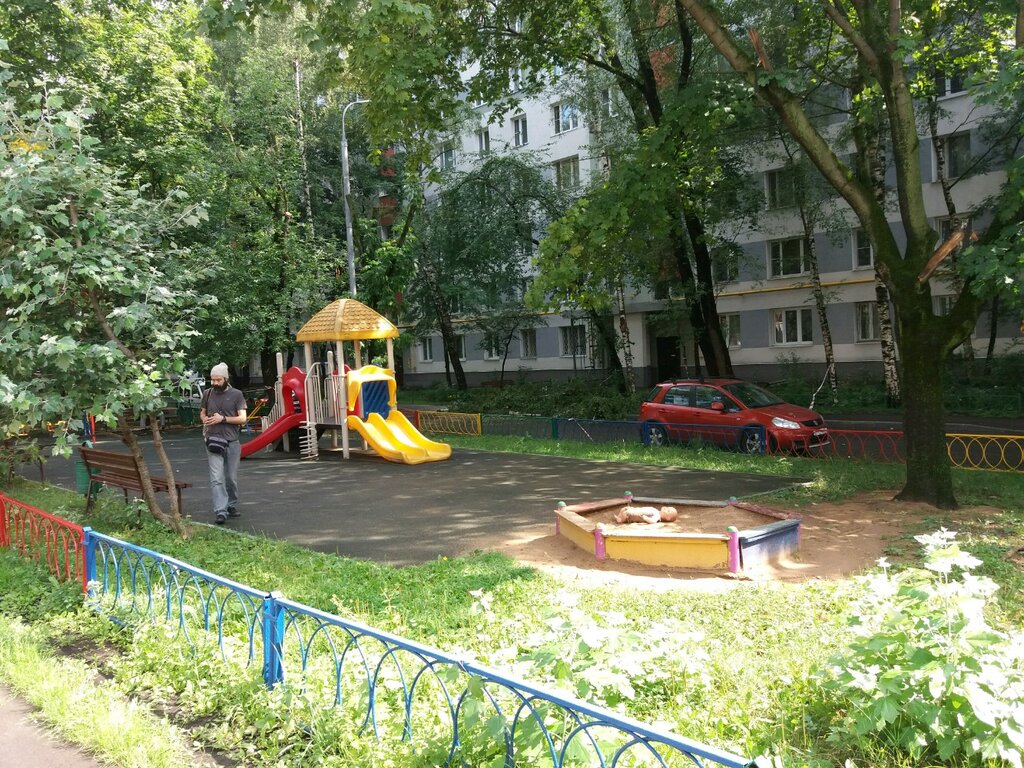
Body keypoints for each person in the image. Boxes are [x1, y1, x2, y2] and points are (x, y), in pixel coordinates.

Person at [200, 362, 247, 525]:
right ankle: (221, 511)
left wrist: (223, 419)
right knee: (216, 478)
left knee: (230, 478)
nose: (214, 383)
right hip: (212, 440)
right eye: (212, 380)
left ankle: (231, 504)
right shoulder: (207, 393)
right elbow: (203, 411)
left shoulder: (237, 395)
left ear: (226, 379)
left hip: (232, 442)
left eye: (218, 380)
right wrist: (204, 419)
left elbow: (242, 418)